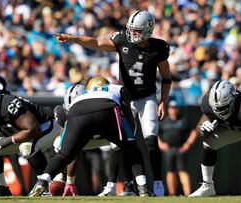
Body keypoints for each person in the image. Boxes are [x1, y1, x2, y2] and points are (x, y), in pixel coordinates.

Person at [55, 10, 171, 196]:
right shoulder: (122, 39)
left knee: (150, 140)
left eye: (137, 30)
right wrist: (72, 38)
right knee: (118, 144)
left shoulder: (159, 47)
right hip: (125, 98)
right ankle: (117, 186)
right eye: (131, 29)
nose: (132, 33)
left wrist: (163, 101)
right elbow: (97, 44)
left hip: (146, 99)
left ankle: (158, 184)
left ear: (148, 30)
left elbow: (166, 77)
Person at [29, 77, 153, 197]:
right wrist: (131, 133)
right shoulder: (117, 88)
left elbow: (66, 137)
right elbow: (127, 112)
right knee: (131, 148)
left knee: (63, 155)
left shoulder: (82, 96)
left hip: (77, 112)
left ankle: (42, 181)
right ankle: (143, 187)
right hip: (106, 108)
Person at [158, 100, 195, 196]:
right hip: (168, 150)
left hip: (180, 149)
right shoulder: (164, 121)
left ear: (177, 109)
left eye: (174, 108)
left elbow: (193, 132)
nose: (172, 110)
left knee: (182, 171)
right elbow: (156, 134)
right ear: (168, 109)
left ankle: (187, 193)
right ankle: (172, 193)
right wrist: (160, 144)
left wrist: (187, 144)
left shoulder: (183, 120)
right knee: (170, 171)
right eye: (171, 108)